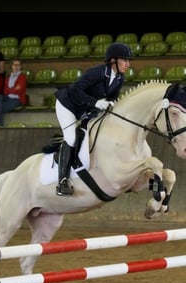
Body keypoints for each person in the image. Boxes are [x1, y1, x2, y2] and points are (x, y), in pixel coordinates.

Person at [54, 42, 133, 196]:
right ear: (113, 60)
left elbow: (112, 99)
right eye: (125, 60)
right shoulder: (97, 72)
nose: (128, 65)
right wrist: (95, 102)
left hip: (86, 109)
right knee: (71, 137)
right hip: (68, 105)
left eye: (128, 61)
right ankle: (62, 181)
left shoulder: (120, 78)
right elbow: (75, 89)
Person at [0, 59, 27, 126]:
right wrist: (13, 89)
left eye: (18, 65)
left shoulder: (22, 77)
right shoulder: (8, 77)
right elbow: (5, 90)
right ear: (11, 66)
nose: (16, 66)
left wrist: (10, 89)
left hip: (17, 99)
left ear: (21, 67)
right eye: (15, 65)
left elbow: (20, 90)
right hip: (8, 97)